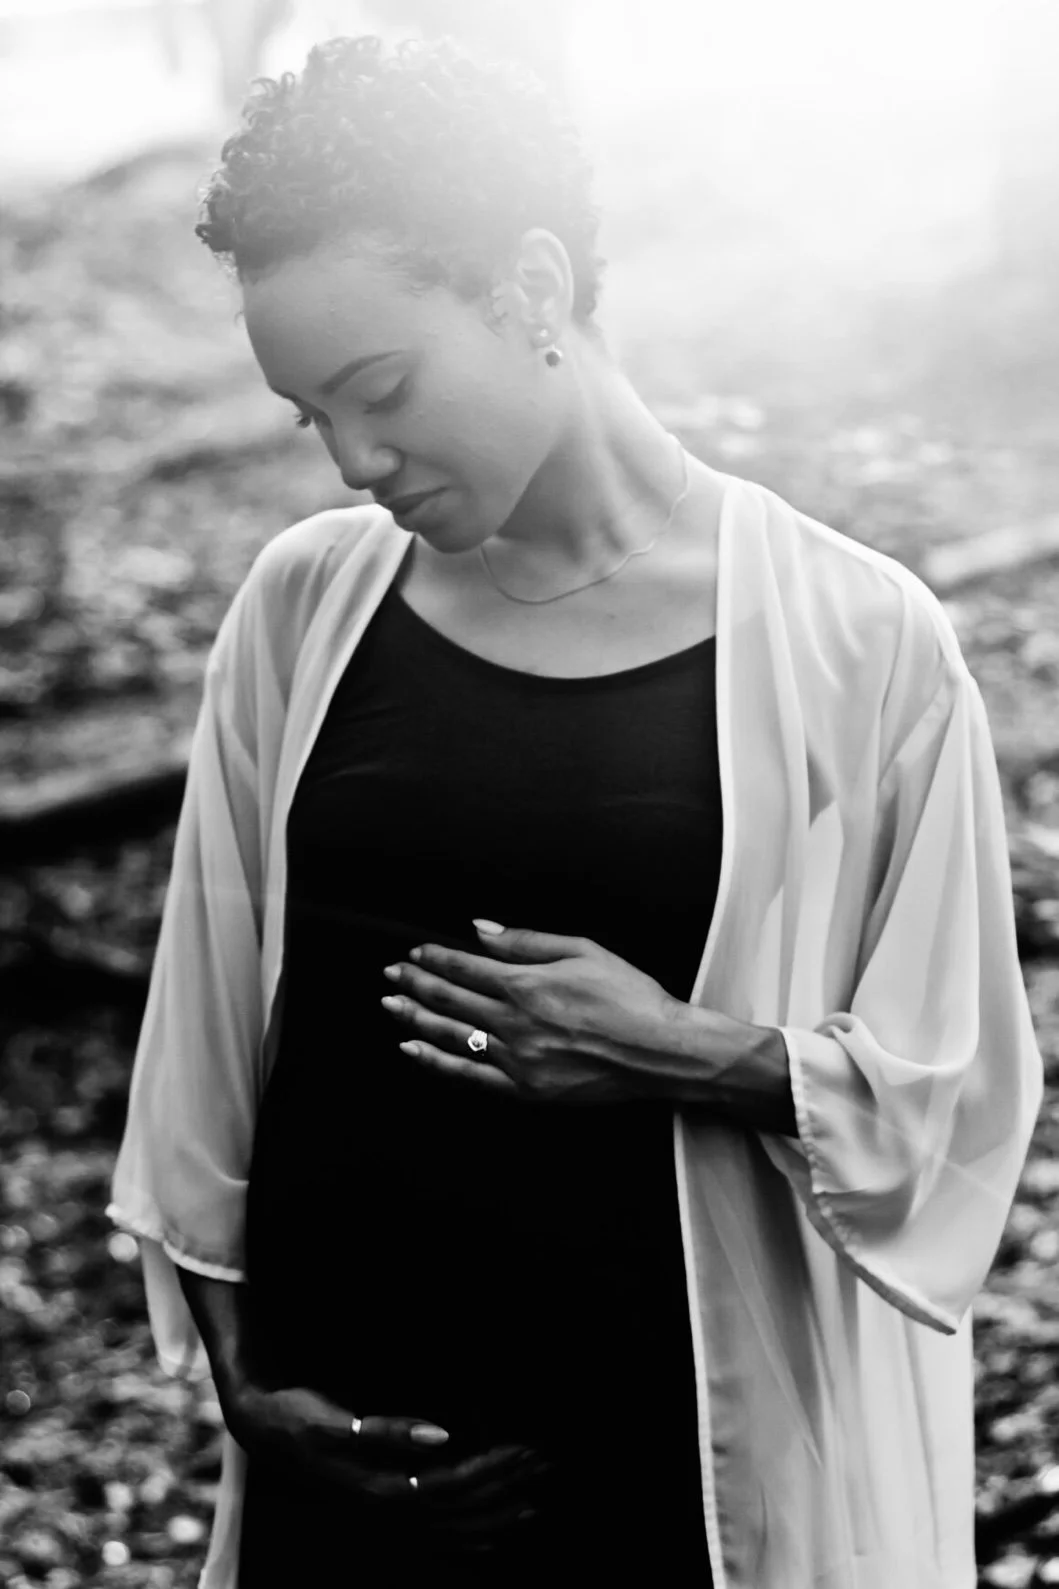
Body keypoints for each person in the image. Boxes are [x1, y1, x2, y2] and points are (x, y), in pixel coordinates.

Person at [106, 33, 1043, 1589]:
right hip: (348, 1467)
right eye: (307, 417)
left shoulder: (858, 642)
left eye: (382, 390)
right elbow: (203, 1044)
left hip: (666, 1464)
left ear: (529, 288)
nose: (354, 461)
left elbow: (958, 1104)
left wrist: (680, 1050)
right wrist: (244, 1383)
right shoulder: (302, 609)